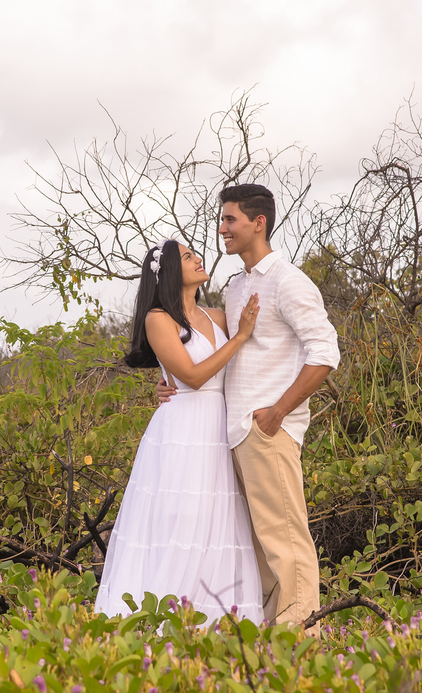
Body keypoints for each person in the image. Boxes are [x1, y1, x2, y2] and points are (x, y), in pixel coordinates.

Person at [157, 184, 340, 634]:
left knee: (286, 541)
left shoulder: (288, 281)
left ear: (258, 223)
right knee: (257, 548)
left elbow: (325, 353)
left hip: (266, 430)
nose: (222, 229)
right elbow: (204, 344)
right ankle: (271, 639)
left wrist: (278, 413)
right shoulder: (238, 286)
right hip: (233, 433)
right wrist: (167, 382)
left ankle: (303, 641)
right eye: (221, 220)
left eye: (230, 220)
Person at [94, 237, 264, 627]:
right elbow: (192, 376)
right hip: (182, 430)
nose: (198, 258)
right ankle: (162, 619)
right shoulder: (158, 319)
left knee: (218, 521)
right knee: (183, 519)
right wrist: (240, 337)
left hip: (219, 426)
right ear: (171, 271)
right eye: (188, 257)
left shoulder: (216, 316)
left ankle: (215, 622)